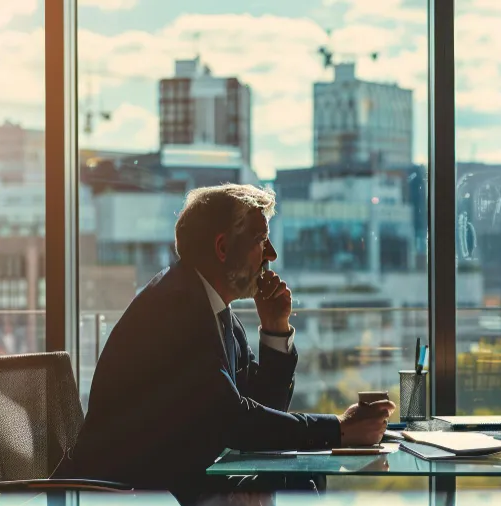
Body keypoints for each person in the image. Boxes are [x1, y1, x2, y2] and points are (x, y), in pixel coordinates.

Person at [53, 184, 394, 490]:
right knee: (298, 482)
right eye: (261, 240)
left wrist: (275, 329)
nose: (271, 254)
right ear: (222, 247)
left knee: (297, 478)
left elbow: (261, 415)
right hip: (125, 498)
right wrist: (340, 429)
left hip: (170, 484)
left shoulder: (212, 307)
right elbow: (232, 421)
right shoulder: (178, 308)